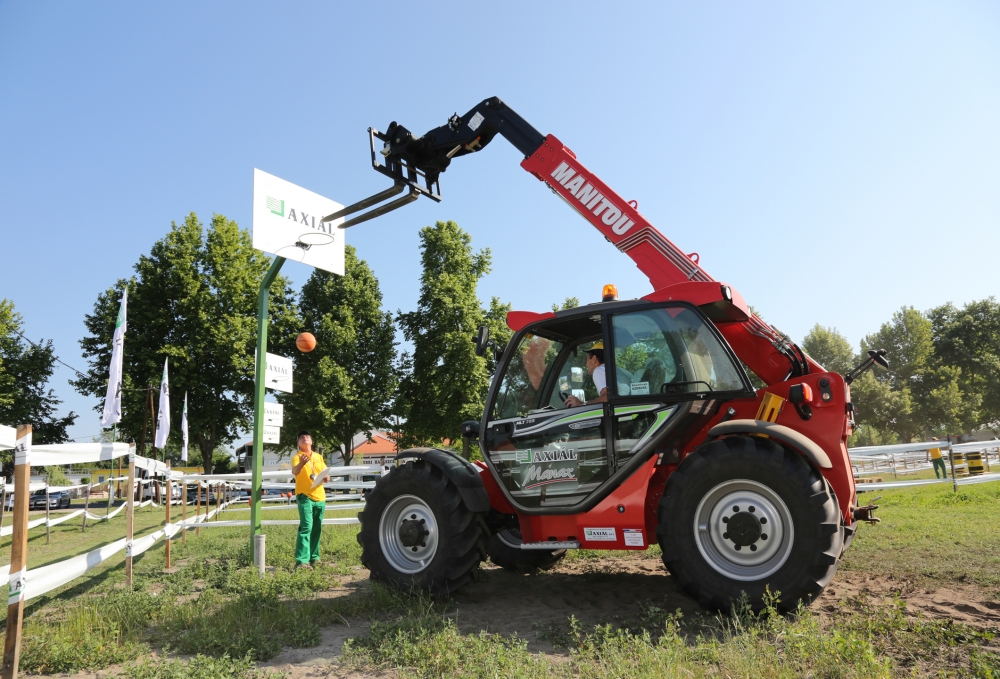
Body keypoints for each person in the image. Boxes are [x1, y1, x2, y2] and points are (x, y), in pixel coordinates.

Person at [291, 430, 330, 569]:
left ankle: (314, 558)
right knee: (306, 527)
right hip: (305, 496)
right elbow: (295, 471)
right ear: (298, 443)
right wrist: (301, 463)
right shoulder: (297, 457)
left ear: (311, 442)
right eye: (301, 437)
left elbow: (326, 474)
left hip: (320, 496)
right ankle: (301, 561)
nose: (305, 438)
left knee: (317, 528)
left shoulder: (319, 457)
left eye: (307, 436)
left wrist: (326, 477)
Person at [565, 342, 608, 407]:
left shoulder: (599, 370)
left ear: (594, 359)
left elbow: (607, 398)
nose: (586, 364)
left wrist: (582, 404)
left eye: (587, 359)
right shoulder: (617, 371)